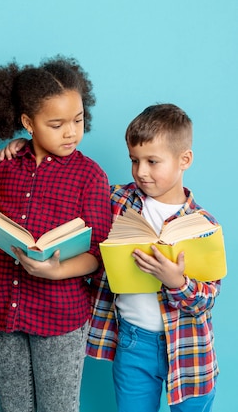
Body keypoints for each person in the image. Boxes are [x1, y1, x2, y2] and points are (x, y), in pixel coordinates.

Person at [0, 56, 112, 412]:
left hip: (60, 316)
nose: (71, 131)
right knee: (13, 408)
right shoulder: (2, 164)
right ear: (28, 123)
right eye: (56, 124)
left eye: (78, 120)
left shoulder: (90, 176)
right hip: (0, 309)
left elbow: (97, 254)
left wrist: (56, 270)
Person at [87, 104, 219, 412]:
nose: (140, 171)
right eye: (134, 160)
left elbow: (207, 298)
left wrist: (176, 282)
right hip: (133, 342)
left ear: (184, 159)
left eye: (152, 161)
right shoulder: (117, 201)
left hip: (190, 347)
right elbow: (77, 187)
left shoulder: (202, 225)